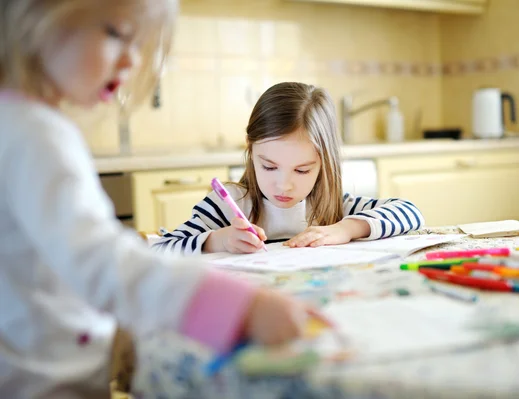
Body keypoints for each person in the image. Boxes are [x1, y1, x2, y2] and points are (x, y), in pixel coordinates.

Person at [0, 1, 324, 397]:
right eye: (118, 33)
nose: (133, 61)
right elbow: (105, 264)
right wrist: (238, 307)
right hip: (40, 380)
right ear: (36, 15)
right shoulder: (35, 136)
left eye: (140, 43)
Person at [154, 82, 425, 255]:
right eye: (269, 167)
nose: (284, 185)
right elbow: (161, 249)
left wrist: (346, 229)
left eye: (302, 170)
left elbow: (410, 212)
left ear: (324, 162)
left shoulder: (329, 207)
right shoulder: (228, 204)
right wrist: (219, 241)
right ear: (251, 147)